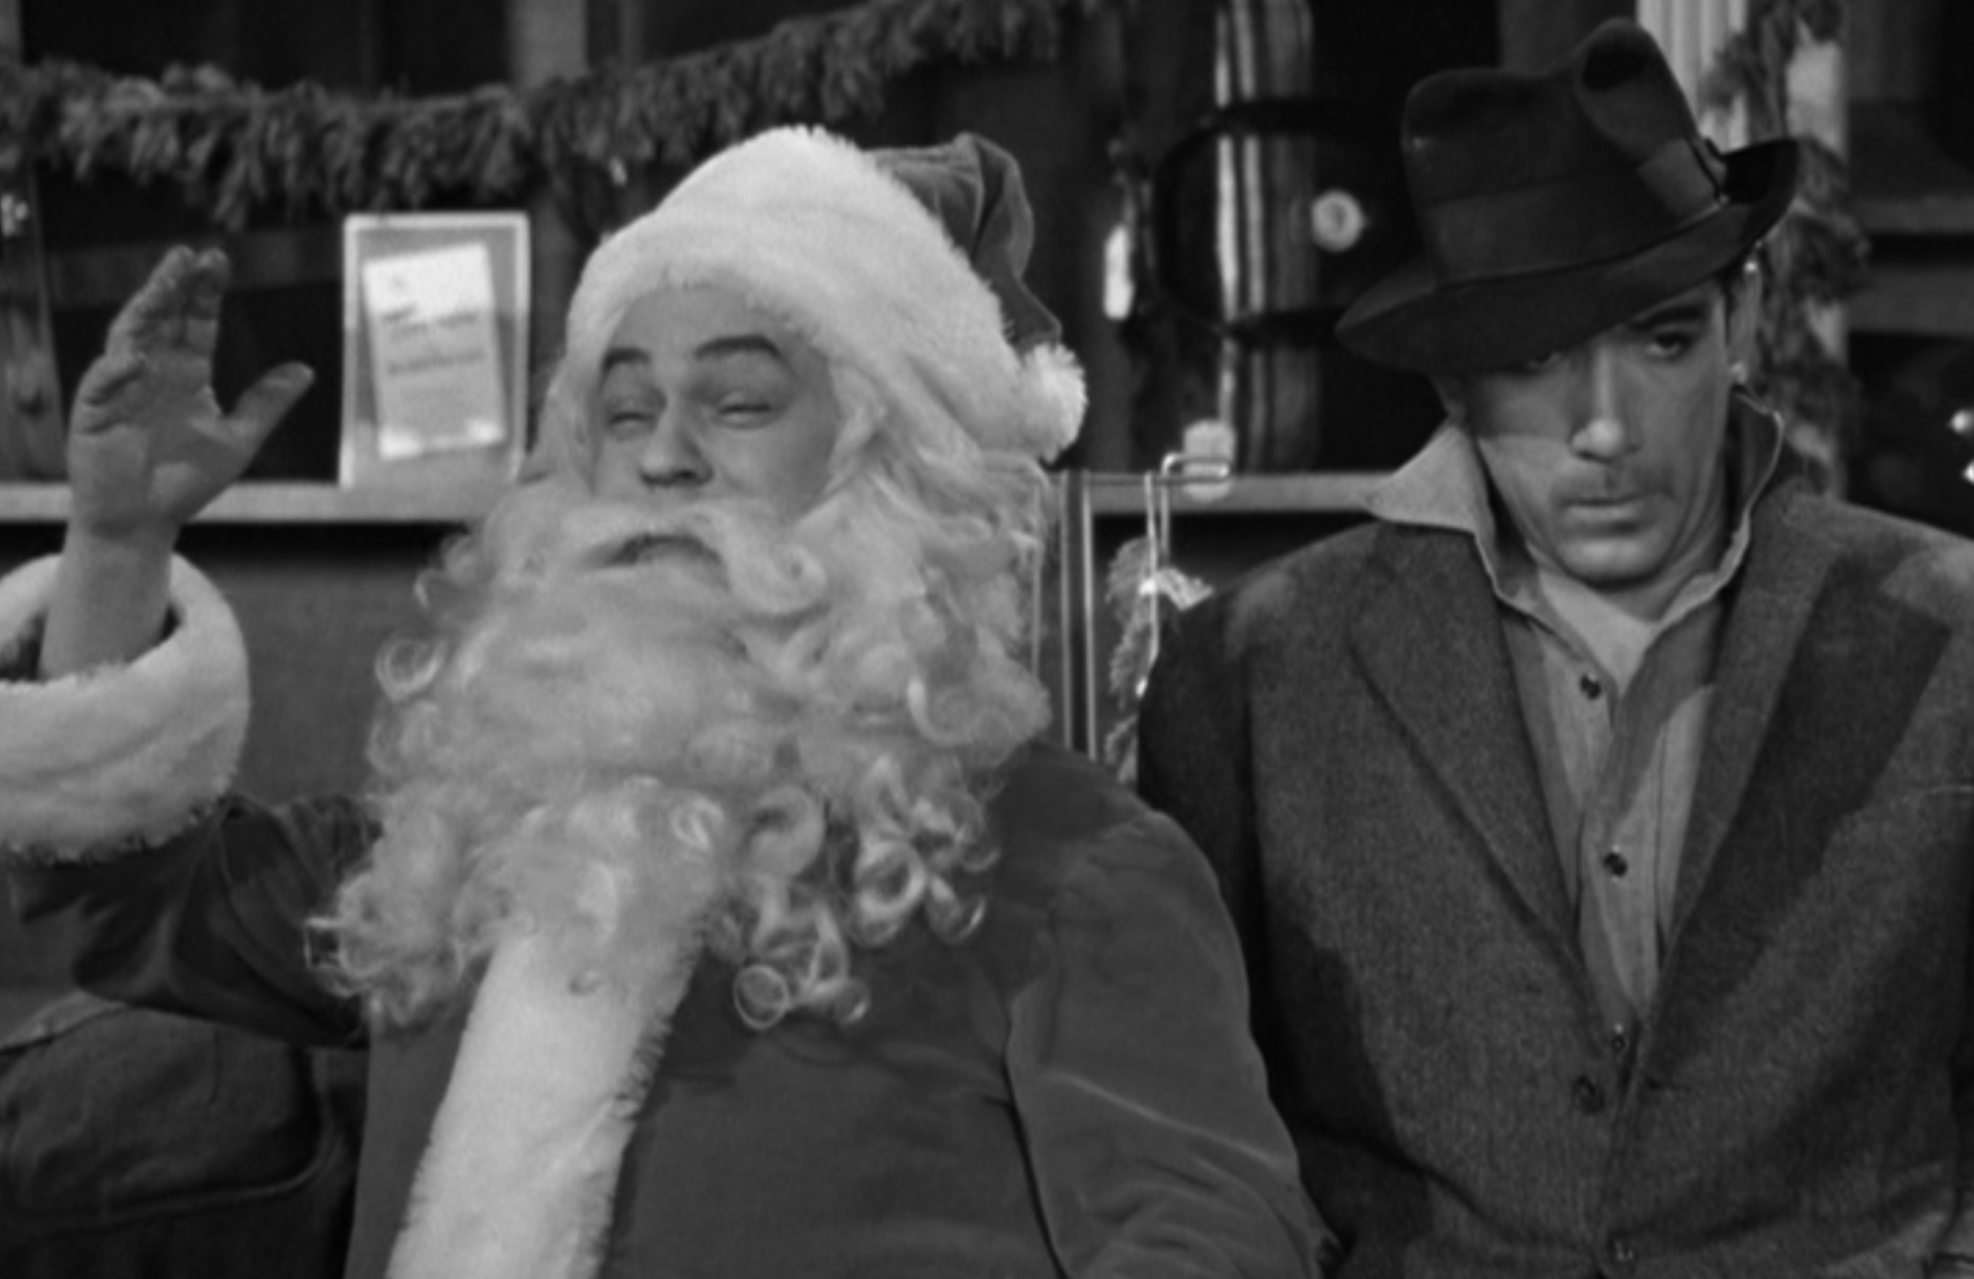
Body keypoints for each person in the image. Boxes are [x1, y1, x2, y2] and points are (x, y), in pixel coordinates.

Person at [0, 127, 1325, 1279]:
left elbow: (1214, 1242)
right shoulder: (457, 844)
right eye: (623, 412)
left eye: (738, 401)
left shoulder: (1074, 864)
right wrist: (118, 539)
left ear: (891, 467)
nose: (664, 454)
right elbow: (122, 891)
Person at [1137, 19, 1974, 1279]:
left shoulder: (1947, 634)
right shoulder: (1255, 674)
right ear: (1452, 379)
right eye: (1535, 359)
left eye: (1662, 340)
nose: (1605, 429)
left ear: (1743, 316)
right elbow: (1196, 1130)